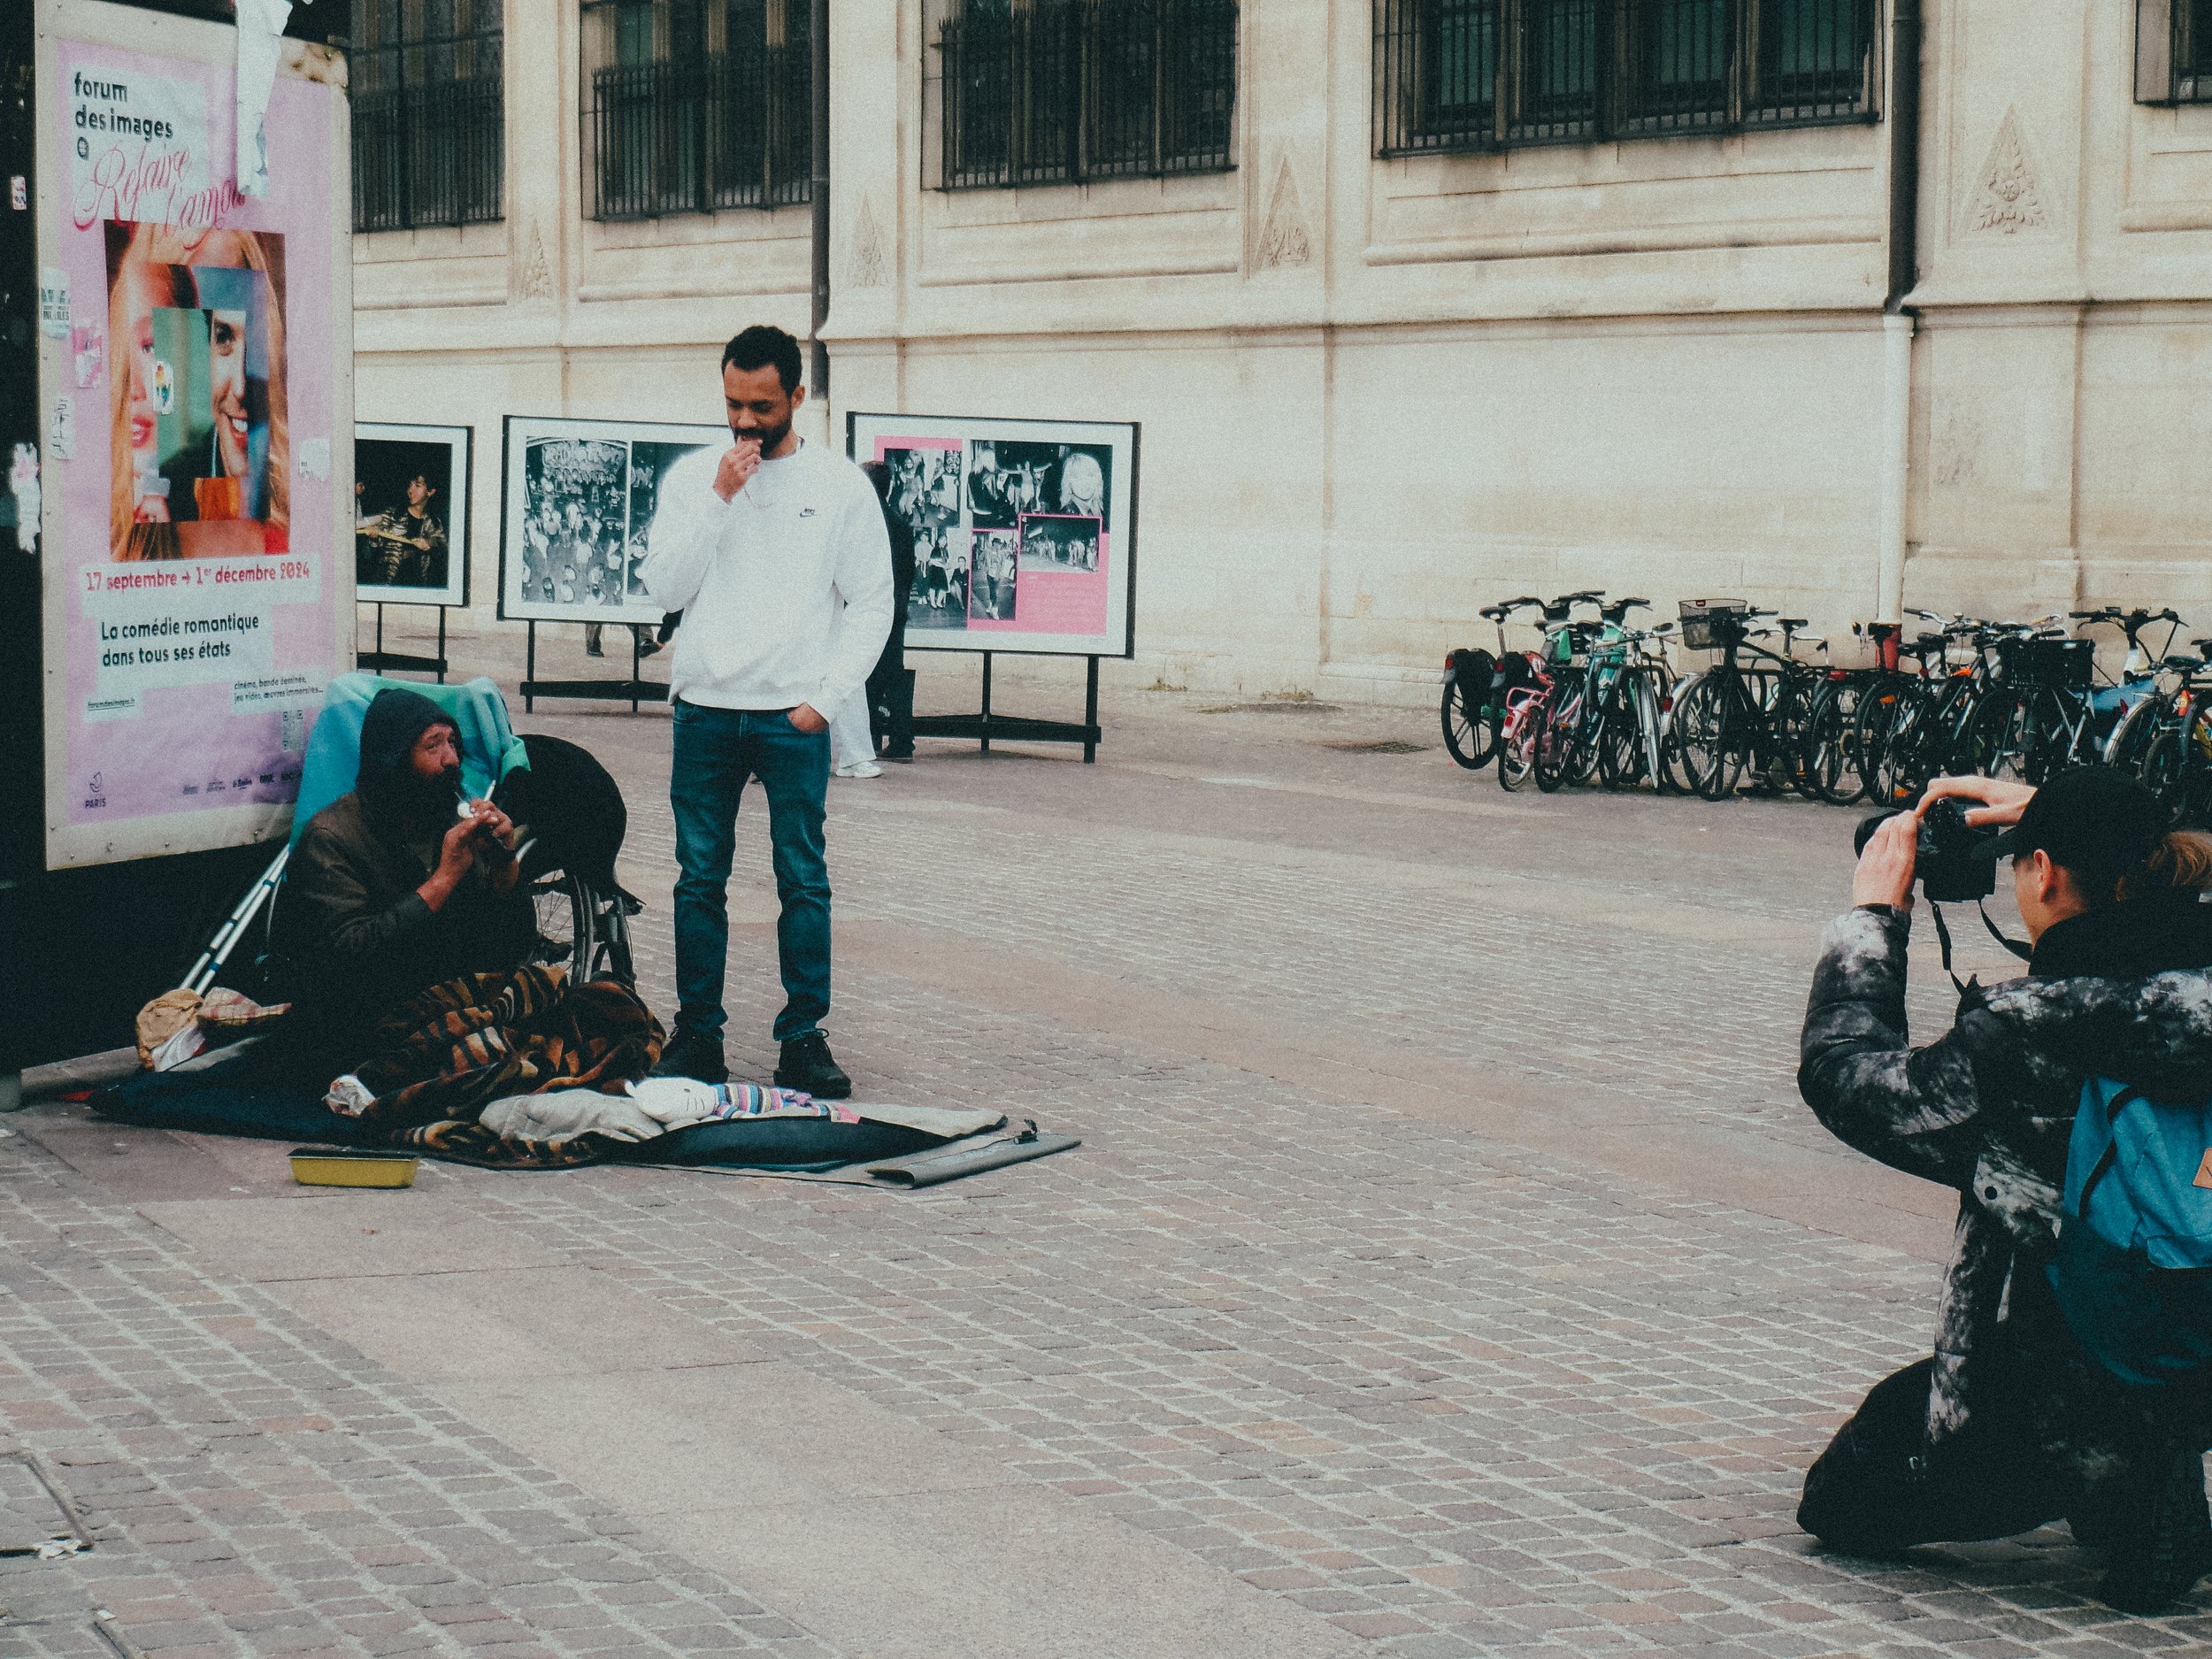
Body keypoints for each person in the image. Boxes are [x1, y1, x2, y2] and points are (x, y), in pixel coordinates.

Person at [1798, 767, 2212, 1611]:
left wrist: (1874, 915)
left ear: (2045, 872)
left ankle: (2129, 1465)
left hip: (2082, 1362)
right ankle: (2152, 1448)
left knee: (1842, 1494)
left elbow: (1850, 1079)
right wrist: (2071, 812)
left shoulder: (2029, 1030)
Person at [640, 324, 893, 1095]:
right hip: (706, 709)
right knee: (698, 879)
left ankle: (803, 1037)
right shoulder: (695, 478)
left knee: (802, 878)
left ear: (797, 397)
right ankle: (697, 1034)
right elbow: (664, 588)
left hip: (792, 714)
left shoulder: (839, 486)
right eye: (733, 405)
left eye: (762, 406)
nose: (745, 422)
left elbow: (872, 602)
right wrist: (719, 498)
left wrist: (826, 699)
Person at [276, 687, 534, 1067]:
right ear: (394, 760)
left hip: (446, 1008)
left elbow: (511, 943)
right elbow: (351, 959)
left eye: (452, 743)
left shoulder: (443, 823)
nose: (451, 759)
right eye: (433, 745)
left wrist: (503, 861)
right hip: (361, 1026)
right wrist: (443, 880)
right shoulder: (331, 839)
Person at [860, 460, 917, 762]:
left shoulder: (864, 523)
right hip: (895, 609)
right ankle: (901, 740)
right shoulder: (900, 525)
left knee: (865, 674)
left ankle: (867, 740)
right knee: (894, 675)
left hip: (869, 608)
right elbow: (909, 573)